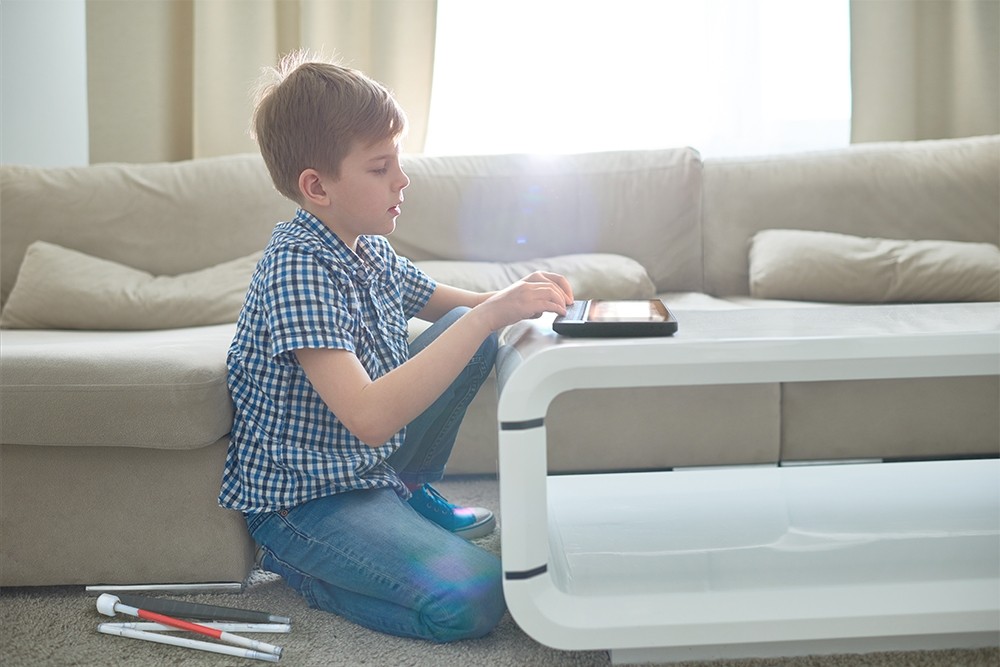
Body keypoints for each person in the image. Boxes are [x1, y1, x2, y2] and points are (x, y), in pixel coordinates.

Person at [218, 51, 574, 643]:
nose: (402, 180)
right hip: (308, 500)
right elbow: (370, 417)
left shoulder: (364, 246)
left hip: (367, 469)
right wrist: (487, 314)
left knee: (471, 327)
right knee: (478, 595)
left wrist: (517, 298)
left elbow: (449, 303)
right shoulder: (297, 269)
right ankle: (306, 568)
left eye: (398, 161)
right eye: (381, 167)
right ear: (317, 187)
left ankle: (403, 496)